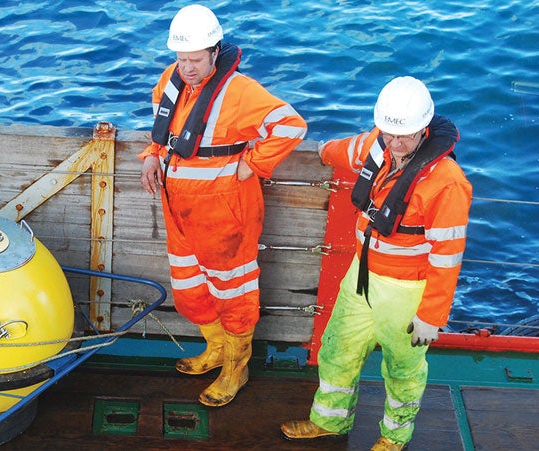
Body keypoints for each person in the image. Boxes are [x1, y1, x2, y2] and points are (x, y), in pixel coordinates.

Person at [280, 76, 472, 450]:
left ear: (425, 129)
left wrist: (431, 317)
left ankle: (394, 438)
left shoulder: (447, 184)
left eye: (406, 136)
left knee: (402, 370)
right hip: (361, 276)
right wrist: (320, 151)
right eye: (388, 134)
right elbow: (347, 150)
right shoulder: (380, 143)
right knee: (337, 350)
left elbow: (447, 259)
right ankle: (329, 422)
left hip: (406, 291)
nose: (395, 144)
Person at [138, 4, 307, 407]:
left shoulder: (241, 91)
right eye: (181, 59)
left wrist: (253, 165)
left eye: (195, 60)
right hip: (178, 210)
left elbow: (291, 126)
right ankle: (214, 349)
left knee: (234, 294)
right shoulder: (171, 78)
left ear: (215, 52)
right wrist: (150, 154)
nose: (187, 69)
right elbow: (164, 128)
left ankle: (236, 367)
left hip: (225, 211)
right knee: (190, 291)